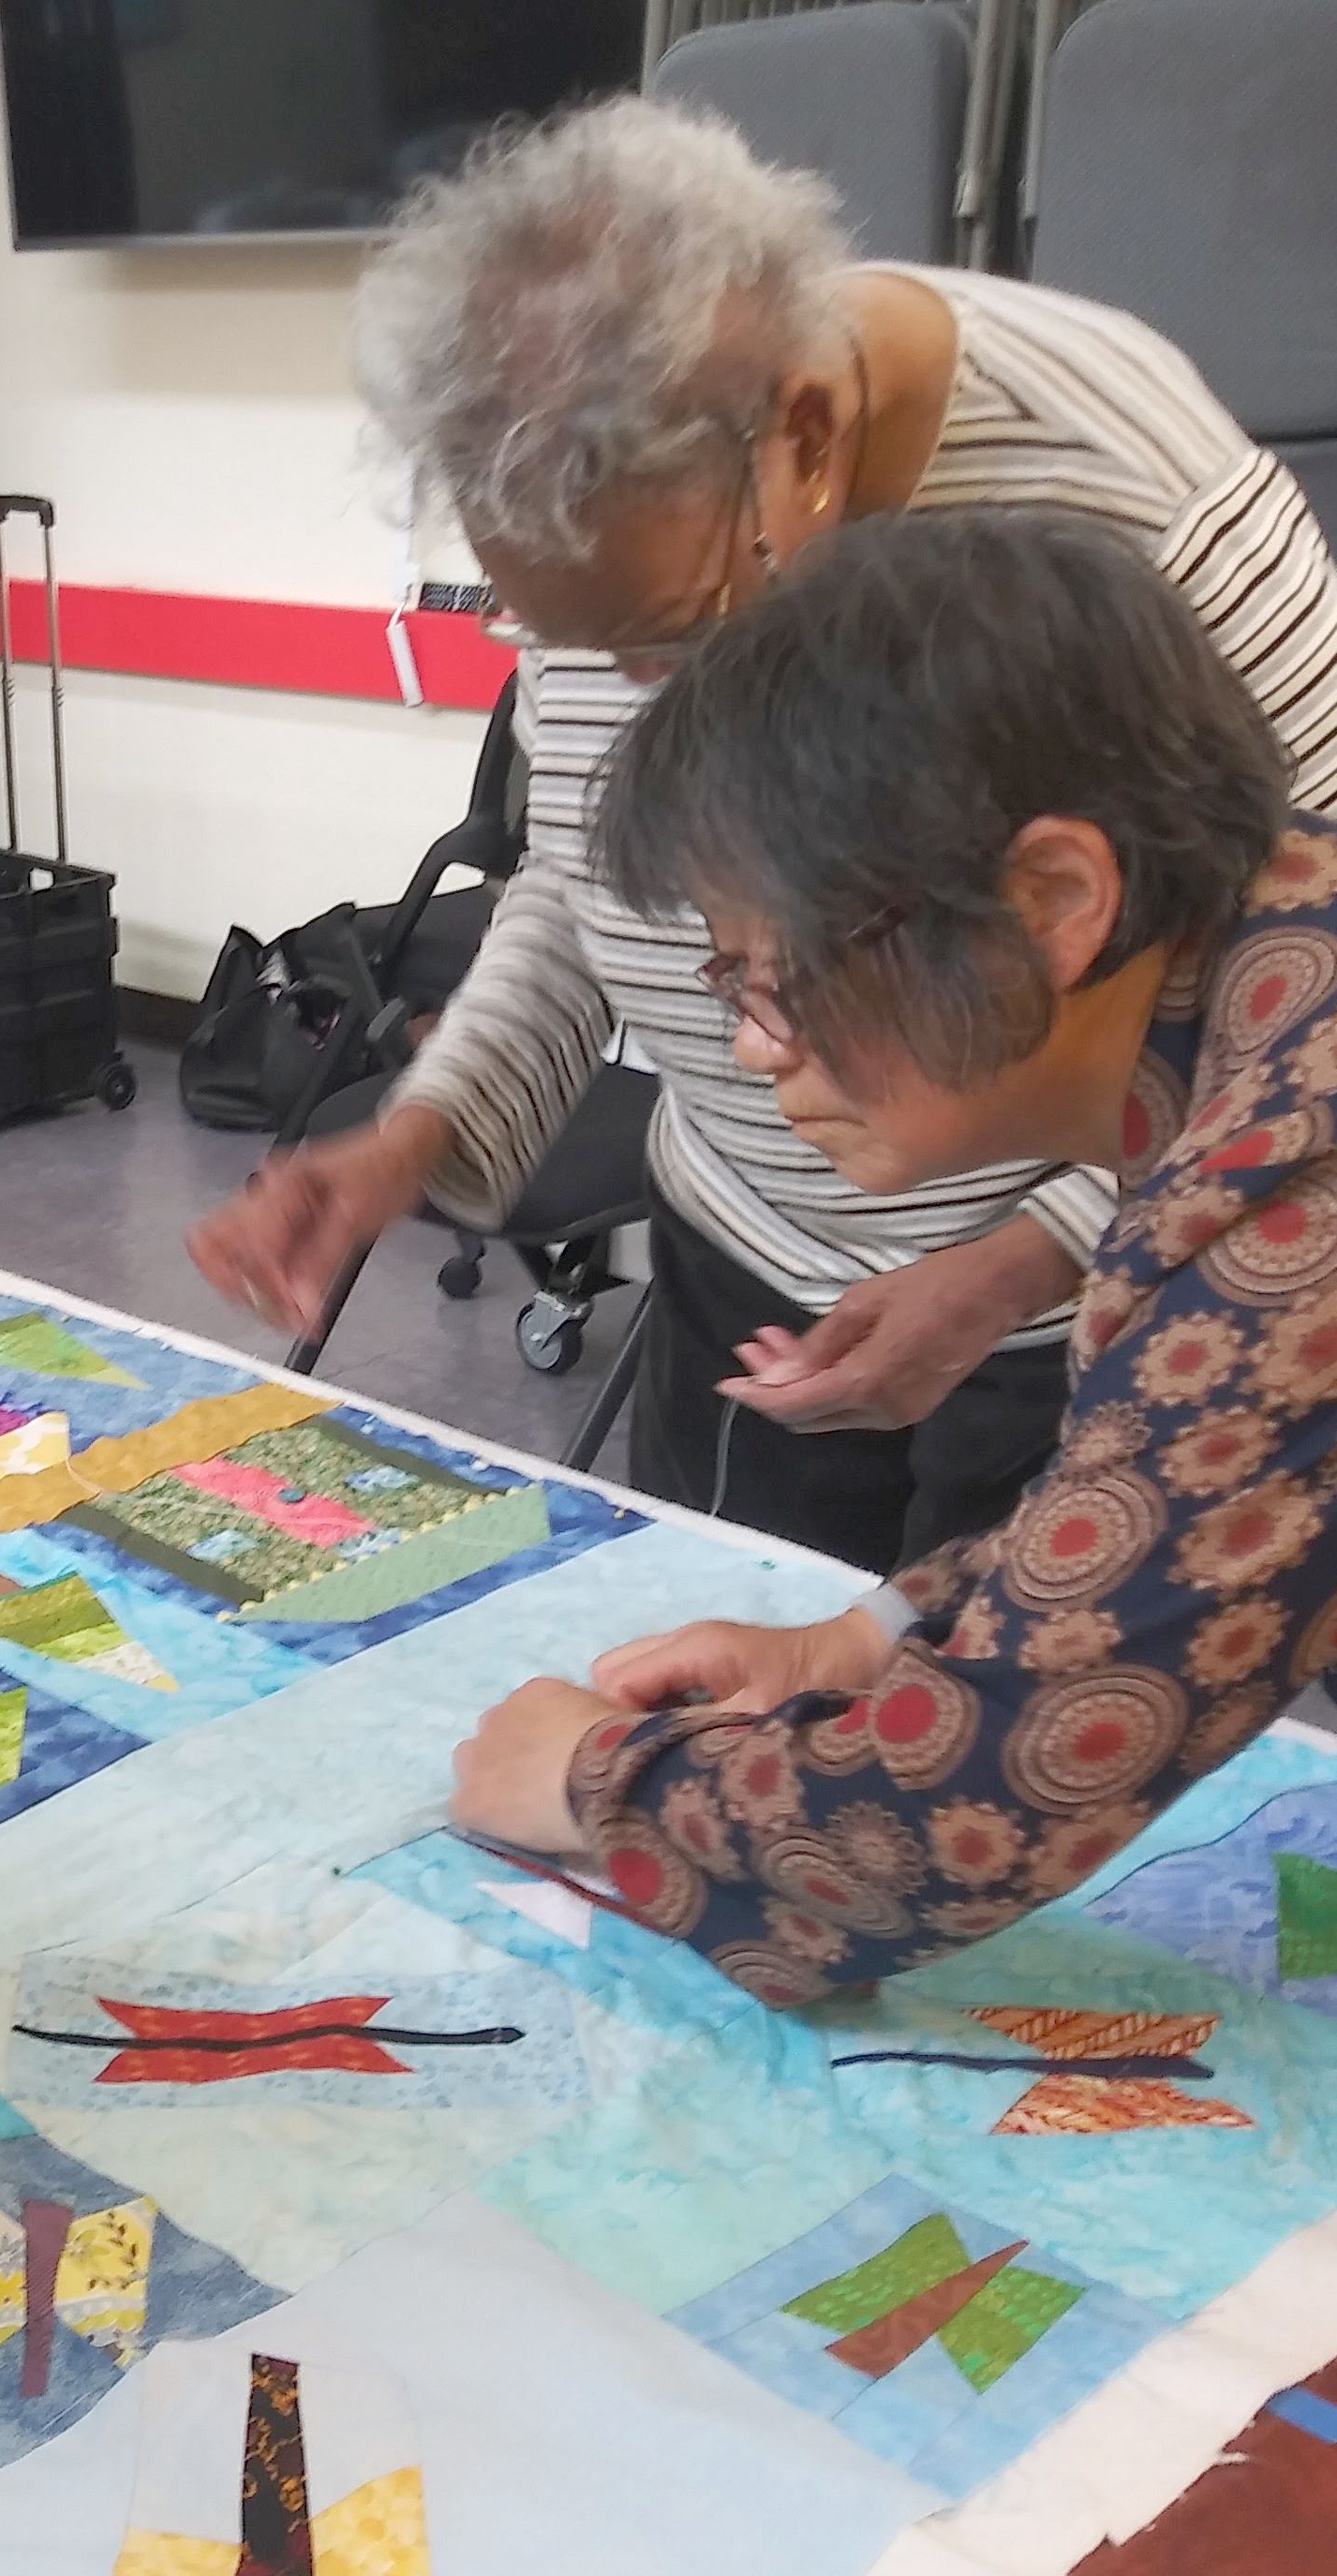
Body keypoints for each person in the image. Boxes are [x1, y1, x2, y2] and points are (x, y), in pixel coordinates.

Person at [190, 97, 1337, 1575]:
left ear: (802, 433)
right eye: (569, 644)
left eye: (664, 639)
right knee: (743, 1647)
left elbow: (1301, 976)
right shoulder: (608, 523)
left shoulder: (1144, 498)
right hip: (739, 1262)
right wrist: (419, 1133)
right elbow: (587, 873)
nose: (633, 695)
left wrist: (1018, 1258)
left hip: (1065, 1297)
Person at [446, 506, 1337, 2005]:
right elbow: (1172, 1499)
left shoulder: (1286, 1190)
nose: (746, 1045)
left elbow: (949, 1825)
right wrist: (863, 1640)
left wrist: (598, 1779)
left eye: (772, 979)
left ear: (1052, 900)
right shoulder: (1268, 962)